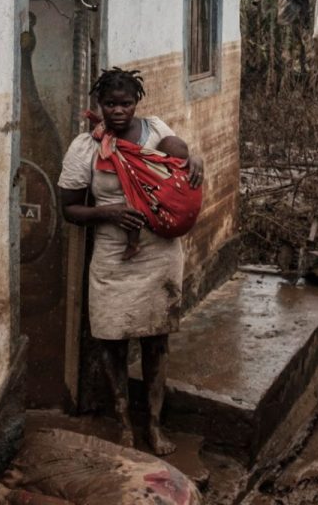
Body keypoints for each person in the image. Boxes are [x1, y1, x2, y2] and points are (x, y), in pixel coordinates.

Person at [57, 67, 205, 455]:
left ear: (136, 102)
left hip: (158, 252)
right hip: (112, 257)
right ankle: (124, 424)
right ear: (99, 105)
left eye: (125, 103)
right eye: (110, 104)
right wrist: (110, 213)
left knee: (157, 338)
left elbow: (182, 160)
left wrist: (197, 161)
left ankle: (154, 425)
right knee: (112, 341)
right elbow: (69, 209)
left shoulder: (156, 131)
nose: (118, 111)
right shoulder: (85, 148)